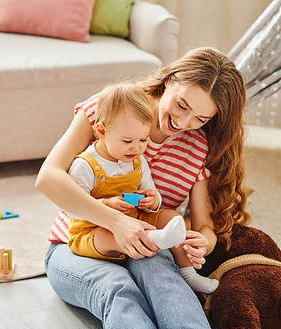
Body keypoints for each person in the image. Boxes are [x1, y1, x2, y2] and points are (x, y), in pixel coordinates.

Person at [36, 47, 250, 329]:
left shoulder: (199, 146)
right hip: (75, 248)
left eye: (201, 118)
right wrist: (116, 222)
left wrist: (202, 245)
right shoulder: (113, 107)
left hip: (146, 248)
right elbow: (47, 178)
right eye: (182, 105)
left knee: (167, 284)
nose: (184, 123)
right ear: (170, 80)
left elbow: (204, 227)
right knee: (118, 288)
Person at [66, 82, 219, 293]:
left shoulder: (137, 160)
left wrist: (153, 200)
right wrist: (106, 205)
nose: (137, 148)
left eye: (143, 140)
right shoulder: (85, 164)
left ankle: (189, 274)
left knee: (172, 216)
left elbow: (151, 190)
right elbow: (73, 204)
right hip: (91, 230)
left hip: (136, 219)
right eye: (128, 140)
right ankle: (157, 239)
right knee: (105, 235)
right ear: (101, 131)